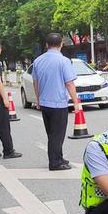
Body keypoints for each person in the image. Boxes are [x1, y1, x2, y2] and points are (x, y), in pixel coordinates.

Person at [32, 33, 80, 171]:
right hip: (58, 103)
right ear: (61, 44)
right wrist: (76, 102)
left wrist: (38, 99)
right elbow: (69, 83)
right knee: (57, 134)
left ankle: (58, 157)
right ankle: (54, 163)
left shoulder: (38, 61)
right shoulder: (64, 61)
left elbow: (36, 82)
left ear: (46, 45)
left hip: (44, 103)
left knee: (52, 134)